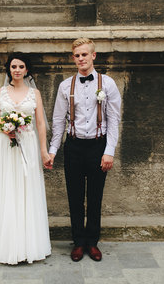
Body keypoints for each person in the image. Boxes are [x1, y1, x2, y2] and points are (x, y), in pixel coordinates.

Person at [47, 38, 121, 262]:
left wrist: (109, 151)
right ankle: (78, 242)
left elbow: (114, 120)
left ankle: (93, 242)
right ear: (73, 58)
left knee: (95, 197)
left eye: (84, 54)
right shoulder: (64, 86)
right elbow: (58, 121)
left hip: (98, 146)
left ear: (93, 56)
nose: (81, 58)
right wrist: (53, 151)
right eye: (77, 55)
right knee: (75, 197)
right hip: (74, 146)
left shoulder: (108, 84)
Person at [0, 53, 52, 265]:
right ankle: (6, 244)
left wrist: (44, 151)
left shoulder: (35, 94)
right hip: (7, 146)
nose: (17, 70)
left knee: (27, 190)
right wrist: (4, 128)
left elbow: (40, 123)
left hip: (29, 145)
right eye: (13, 66)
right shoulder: (0, 92)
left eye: (21, 66)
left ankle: (30, 244)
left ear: (27, 70)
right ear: (9, 69)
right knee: (8, 189)